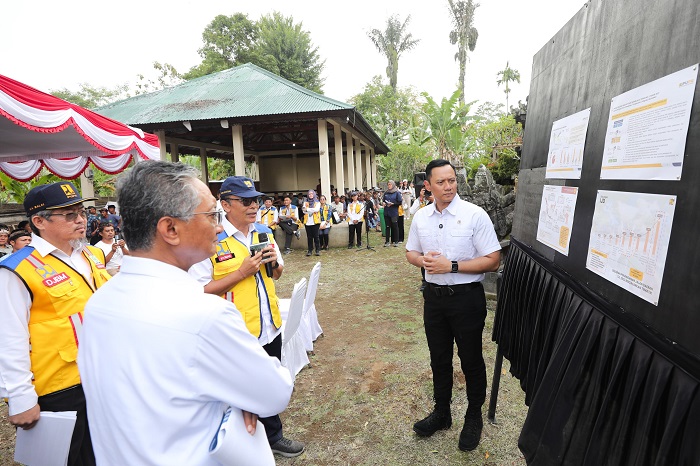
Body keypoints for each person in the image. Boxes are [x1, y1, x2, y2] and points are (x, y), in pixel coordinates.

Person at [78, 161, 293, 465]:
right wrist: (239, 397)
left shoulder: (99, 305)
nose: (218, 226)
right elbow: (275, 393)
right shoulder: (204, 314)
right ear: (170, 229)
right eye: (211, 215)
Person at [189, 175, 305, 458]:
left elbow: (277, 273)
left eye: (255, 199)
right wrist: (240, 273)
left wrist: (274, 264)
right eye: (246, 201)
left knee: (266, 384)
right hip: (236, 332)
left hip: (269, 325)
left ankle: (273, 437)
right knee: (240, 392)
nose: (254, 206)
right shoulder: (212, 239)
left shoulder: (263, 231)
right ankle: (241, 448)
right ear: (226, 205)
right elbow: (197, 291)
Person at [0, 181, 111, 466]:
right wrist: (21, 397)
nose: (81, 220)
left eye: (81, 212)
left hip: (101, 377)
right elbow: (9, 337)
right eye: (69, 215)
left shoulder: (88, 255)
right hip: (59, 386)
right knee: (67, 460)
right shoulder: (17, 269)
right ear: (39, 221)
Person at [405, 159, 501, 452]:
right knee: (439, 358)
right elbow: (411, 252)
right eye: (441, 182)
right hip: (433, 299)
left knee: (471, 359)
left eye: (452, 181)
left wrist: (452, 265)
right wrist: (423, 262)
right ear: (428, 186)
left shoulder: (475, 215)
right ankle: (442, 412)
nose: (448, 187)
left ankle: (473, 416)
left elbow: (493, 259)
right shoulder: (421, 217)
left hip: (466, 299)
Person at [382, 180, 402, 247]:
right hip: (387, 212)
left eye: (390, 184)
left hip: (393, 212)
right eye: (388, 184)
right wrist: (384, 203)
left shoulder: (397, 193)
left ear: (393, 185)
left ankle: (396, 241)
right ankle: (387, 241)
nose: (389, 186)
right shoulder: (386, 193)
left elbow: (399, 202)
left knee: (395, 226)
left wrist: (393, 204)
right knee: (387, 227)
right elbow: (383, 200)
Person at [302, 189, 322, 257]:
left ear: (314, 194)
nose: (310, 195)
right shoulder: (305, 202)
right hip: (307, 222)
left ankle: (317, 250)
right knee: (309, 237)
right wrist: (310, 210)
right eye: (309, 194)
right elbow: (303, 211)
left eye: (312, 194)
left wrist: (307, 209)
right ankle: (310, 250)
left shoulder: (317, 202)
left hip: (315, 222)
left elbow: (316, 209)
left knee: (316, 236)